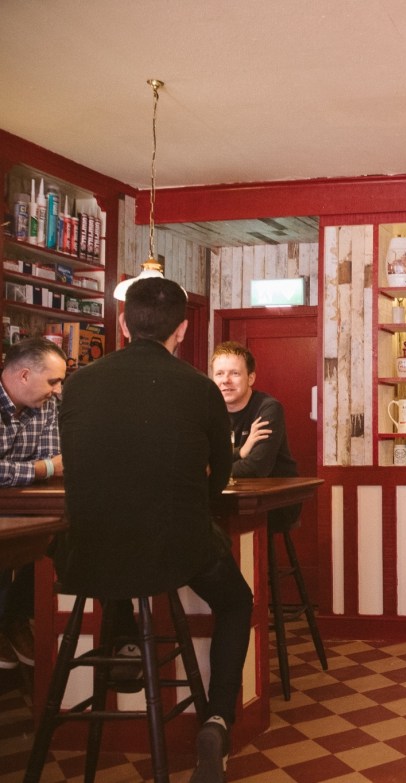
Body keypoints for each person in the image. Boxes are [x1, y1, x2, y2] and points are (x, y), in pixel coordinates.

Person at [56, 278, 253, 783]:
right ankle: (217, 719)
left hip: (90, 552)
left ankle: (122, 638)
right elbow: (221, 472)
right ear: (183, 330)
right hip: (178, 546)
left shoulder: (77, 384)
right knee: (235, 601)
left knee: (122, 557)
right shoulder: (199, 387)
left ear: (122, 324)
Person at [0, 337, 66, 669]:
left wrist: (39, 468)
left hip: (27, 508)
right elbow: (48, 465)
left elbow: (54, 461)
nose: (57, 390)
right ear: (24, 375)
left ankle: (13, 618)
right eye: (53, 381)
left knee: (48, 539)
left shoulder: (48, 405)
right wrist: (39, 469)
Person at [210, 341, 300, 531]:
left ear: (250, 378)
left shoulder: (268, 408)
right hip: (225, 498)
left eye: (234, 373)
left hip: (273, 504)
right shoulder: (210, 410)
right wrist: (241, 452)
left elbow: (257, 467)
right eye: (219, 373)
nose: (225, 380)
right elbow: (205, 457)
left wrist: (211, 472)